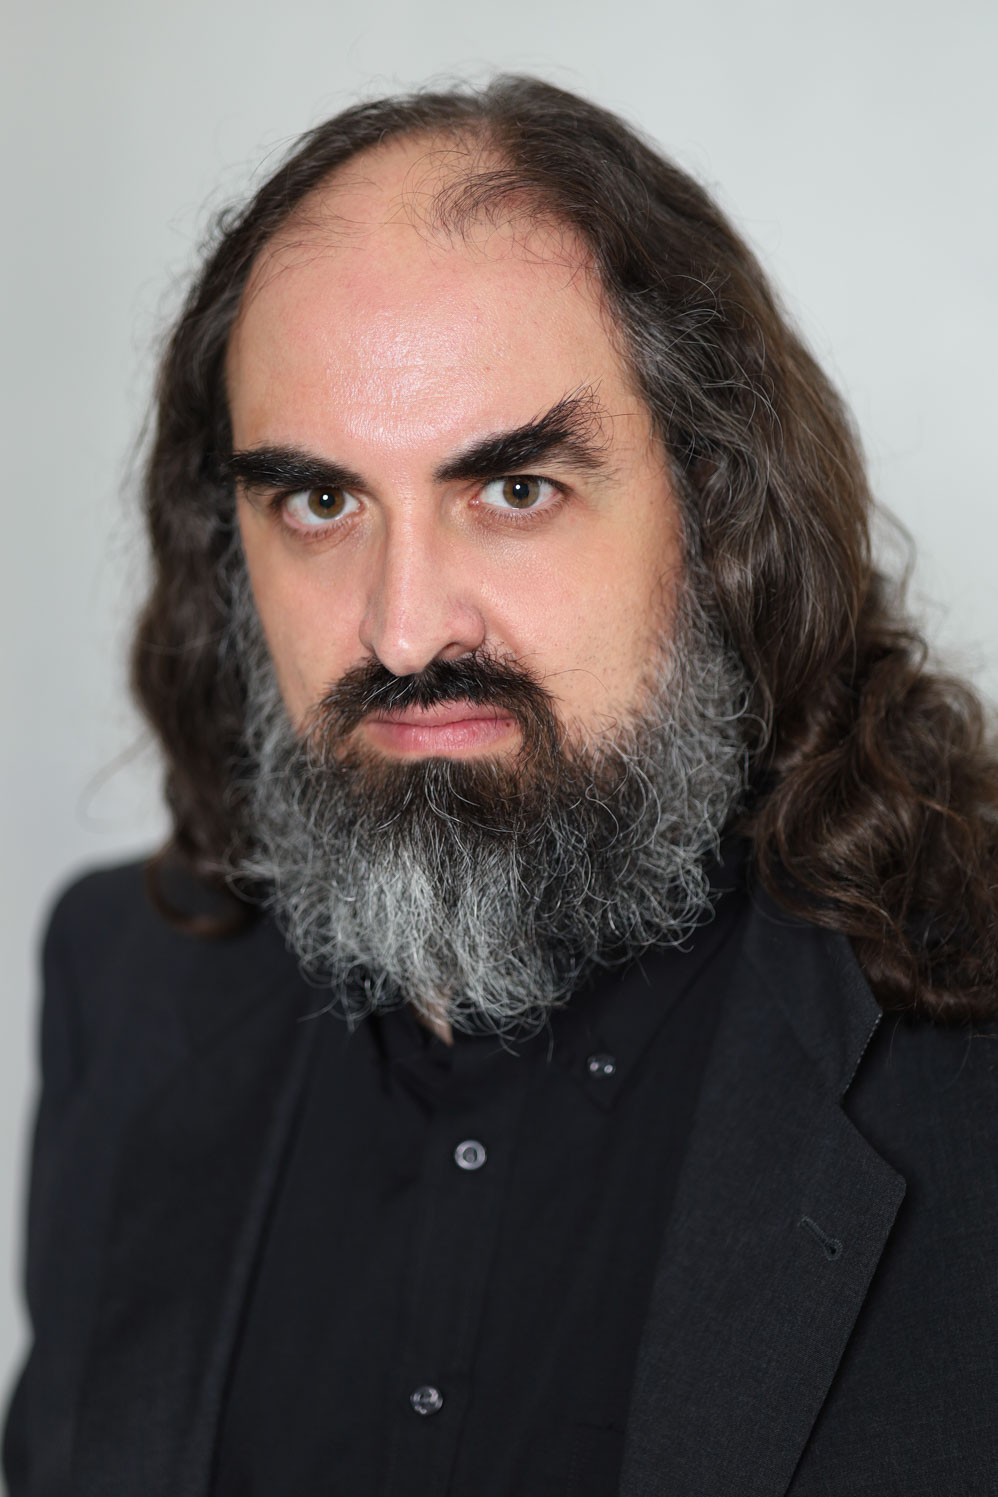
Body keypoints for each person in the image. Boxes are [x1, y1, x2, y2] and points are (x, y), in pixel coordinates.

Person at [5, 75, 998, 1497]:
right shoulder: (126, 983)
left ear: (719, 511)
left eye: (515, 490)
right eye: (321, 502)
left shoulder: (965, 1064)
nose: (406, 630)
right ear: (229, 546)